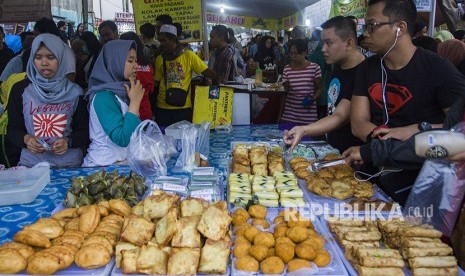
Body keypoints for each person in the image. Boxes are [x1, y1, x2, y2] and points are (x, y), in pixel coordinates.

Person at [346, 0, 465, 205]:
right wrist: (383, 150)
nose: (365, 33)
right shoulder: (368, 68)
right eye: (365, 26)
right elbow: (358, 124)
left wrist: (416, 129)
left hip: (424, 182)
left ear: (400, 28)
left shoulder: (438, 69)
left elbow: (459, 133)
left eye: (372, 25)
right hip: (375, 174)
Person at [284, 16, 365, 153]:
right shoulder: (337, 68)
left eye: (329, 43)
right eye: (323, 43)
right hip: (334, 150)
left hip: (353, 155)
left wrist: (305, 128)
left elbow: (340, 116)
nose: (323, 49)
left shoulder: (364, 73)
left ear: (349, 44)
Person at [7, 34, 89, 167]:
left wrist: (68, 142)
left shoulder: (75, 92)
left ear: (61, 58)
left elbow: (84, 131)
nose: (44, 63)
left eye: (51, 57)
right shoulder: (20, 90)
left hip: (68, 166)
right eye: (38, 57)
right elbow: (13, 129)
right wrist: (27, 139)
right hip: (32, 166)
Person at [82, 40, 144, 167]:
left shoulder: (123, 91)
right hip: (101, 168)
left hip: (118, 165)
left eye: (136, 60)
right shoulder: (103, 97)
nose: (136, 65)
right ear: (114, 62)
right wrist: (135, 102)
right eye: (130, 61)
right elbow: (123, 138)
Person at [154, 24, 216, 126]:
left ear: (173, 39)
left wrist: (218, 78)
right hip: (162, 107)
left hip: (182, 108)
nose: (161, 43)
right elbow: (156, 81)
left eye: (164, 40)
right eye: (160, 40)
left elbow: (206, 71)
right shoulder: (160, 58)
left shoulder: (189, 56)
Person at [280, 39, 322, 125]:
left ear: (305, 53)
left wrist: (312, 98)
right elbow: (286, 90)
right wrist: (284, 85)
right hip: (289, 115)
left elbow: (320, 88)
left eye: (297, 53)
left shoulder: (315, 68)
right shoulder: (287, 69)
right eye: (291, 53)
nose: (293, 56)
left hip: (308, 116)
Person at [120, 31, 155, 120]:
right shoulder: (148, 66)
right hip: (146, 111)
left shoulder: (127, 67)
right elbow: (151, 89)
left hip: (131, 112)